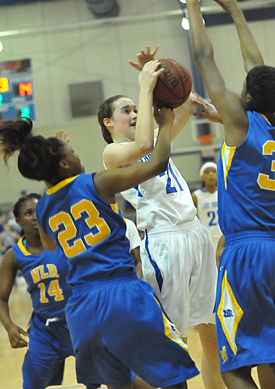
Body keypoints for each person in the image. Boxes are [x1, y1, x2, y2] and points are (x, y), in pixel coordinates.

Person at [0, 61, 200, 389]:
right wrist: (164, 123)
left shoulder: (45, 207)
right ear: (65, 162)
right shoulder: (97, 183)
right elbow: (158, 161)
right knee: (170, 377)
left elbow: (52, 248)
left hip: (80, 307)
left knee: (119, 383)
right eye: (73, 151)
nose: (80, 155)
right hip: (122, 291)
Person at [98, 46, 225, 389]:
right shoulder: (113, 154)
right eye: (127, 110)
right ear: (109, 123)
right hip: (165, 243)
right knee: (170, 341)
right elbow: (142, 148)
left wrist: (159, 81)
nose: (135, 112)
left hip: (196, 234)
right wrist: (143, 87)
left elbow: (184, 106)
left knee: (213, 335)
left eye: (137, 108)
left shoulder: (157, 141)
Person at [173, 0, 275, 388]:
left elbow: (203, 57)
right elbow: (259, 67)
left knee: (232, 366)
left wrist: (193, 3)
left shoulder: (240, 123)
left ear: (246, 98)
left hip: (248, 253)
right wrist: (235, 10)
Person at [0, 193, 88, 389]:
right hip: (45, 330)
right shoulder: (14, 256)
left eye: (39, 211)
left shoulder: (66, 241)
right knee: (31, 384)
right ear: (17, 220)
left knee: (106, 379)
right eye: (28, 213)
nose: (35, 216)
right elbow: (2, 298)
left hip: (79, 323)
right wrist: (9, 326)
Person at [192, 162, 222, 249]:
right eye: (207, 172)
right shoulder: (196, 196)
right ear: (202, 176)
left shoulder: (223, 192)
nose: (211, 174)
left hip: (222, 237)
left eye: (213, 171)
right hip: (206, 238)